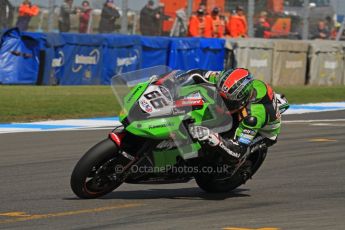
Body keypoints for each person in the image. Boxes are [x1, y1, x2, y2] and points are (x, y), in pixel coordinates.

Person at [183, 68, 289, 163]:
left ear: (242, 101)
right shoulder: (226, 81)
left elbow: (238, 152)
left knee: (231, 155)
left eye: (227, 102)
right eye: (220, 97)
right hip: (251, 104)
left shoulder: (252, 117)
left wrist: (213, 138)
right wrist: (176, 82)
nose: (222, 104)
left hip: (264, 133)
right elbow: (196, 74)